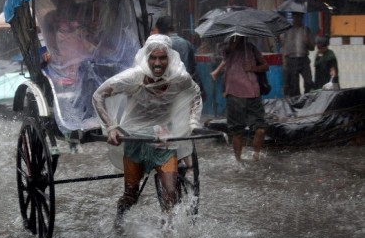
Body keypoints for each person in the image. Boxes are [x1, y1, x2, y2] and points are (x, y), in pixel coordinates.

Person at [92, 34, 202, 227]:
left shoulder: (179, 78)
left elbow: (195, 94)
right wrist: (111, 127)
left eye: (162, 58)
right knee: (131, 195)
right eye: (153, 58)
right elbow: (98, 95)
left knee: (171, 191)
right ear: (146, 57)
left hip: (162, 138)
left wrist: (192, 123)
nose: (157, 63)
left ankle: (167, 235)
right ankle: (119, 221)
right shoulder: (133, 76)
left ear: (170, 57)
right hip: (134, 139)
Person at [210, 35, 268, 162]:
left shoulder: (251, 48)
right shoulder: (227, 49)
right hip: (234, 94)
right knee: (237, 131)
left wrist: (252, 68)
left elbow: (265, 66)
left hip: (253, 93)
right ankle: (238, 160)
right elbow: (225, 53)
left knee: (260, 128)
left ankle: (256, 155)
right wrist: (234, 43)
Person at [155, 16, 198, 85]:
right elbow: (193, 67)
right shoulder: (187, 43)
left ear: (160, 30)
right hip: (185, 86)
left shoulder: (160, 46)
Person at [281, 12, 315, 96]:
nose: (297, 19)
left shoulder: (306, 30)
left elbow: (312, 47)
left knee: (308, 82)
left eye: (300, 17)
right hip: (291, 59)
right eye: (295, 17)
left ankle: (307, 98)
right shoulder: (287, 30)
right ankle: (296, 103)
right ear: (293, 17)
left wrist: (307, 42)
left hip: (303, 59)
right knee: (293, 85)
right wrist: (284, 60)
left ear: (302, 17)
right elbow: (283, 44)